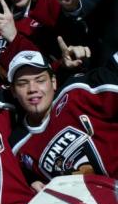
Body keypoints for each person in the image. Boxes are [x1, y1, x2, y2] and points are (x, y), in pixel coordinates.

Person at [8, 50, 118, 182]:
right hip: (86, 200)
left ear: (53, 82)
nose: (32, 89)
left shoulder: (77, 92)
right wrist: (32, 182)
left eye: (40, 80)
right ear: (13, 91)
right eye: (22, 83)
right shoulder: (18, 145)